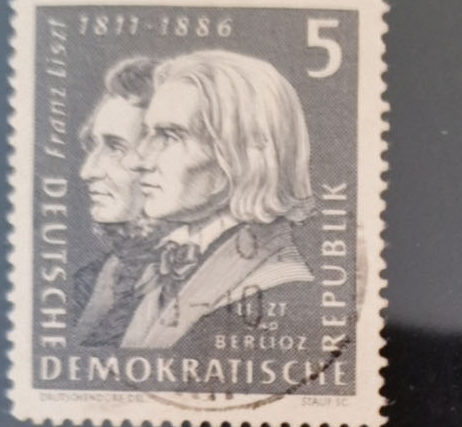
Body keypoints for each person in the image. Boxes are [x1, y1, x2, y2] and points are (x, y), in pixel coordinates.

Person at [120, 49, 319, 359]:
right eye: (147, 134)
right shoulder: (159, 266)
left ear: (244, 153)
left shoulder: (281, 283)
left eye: (170, 136)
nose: (137, 160)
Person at [70, 55, 157, 347]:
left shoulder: (212, 285)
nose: (88, 171)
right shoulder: (87, 282)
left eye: (116, 148)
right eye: (93, 147)